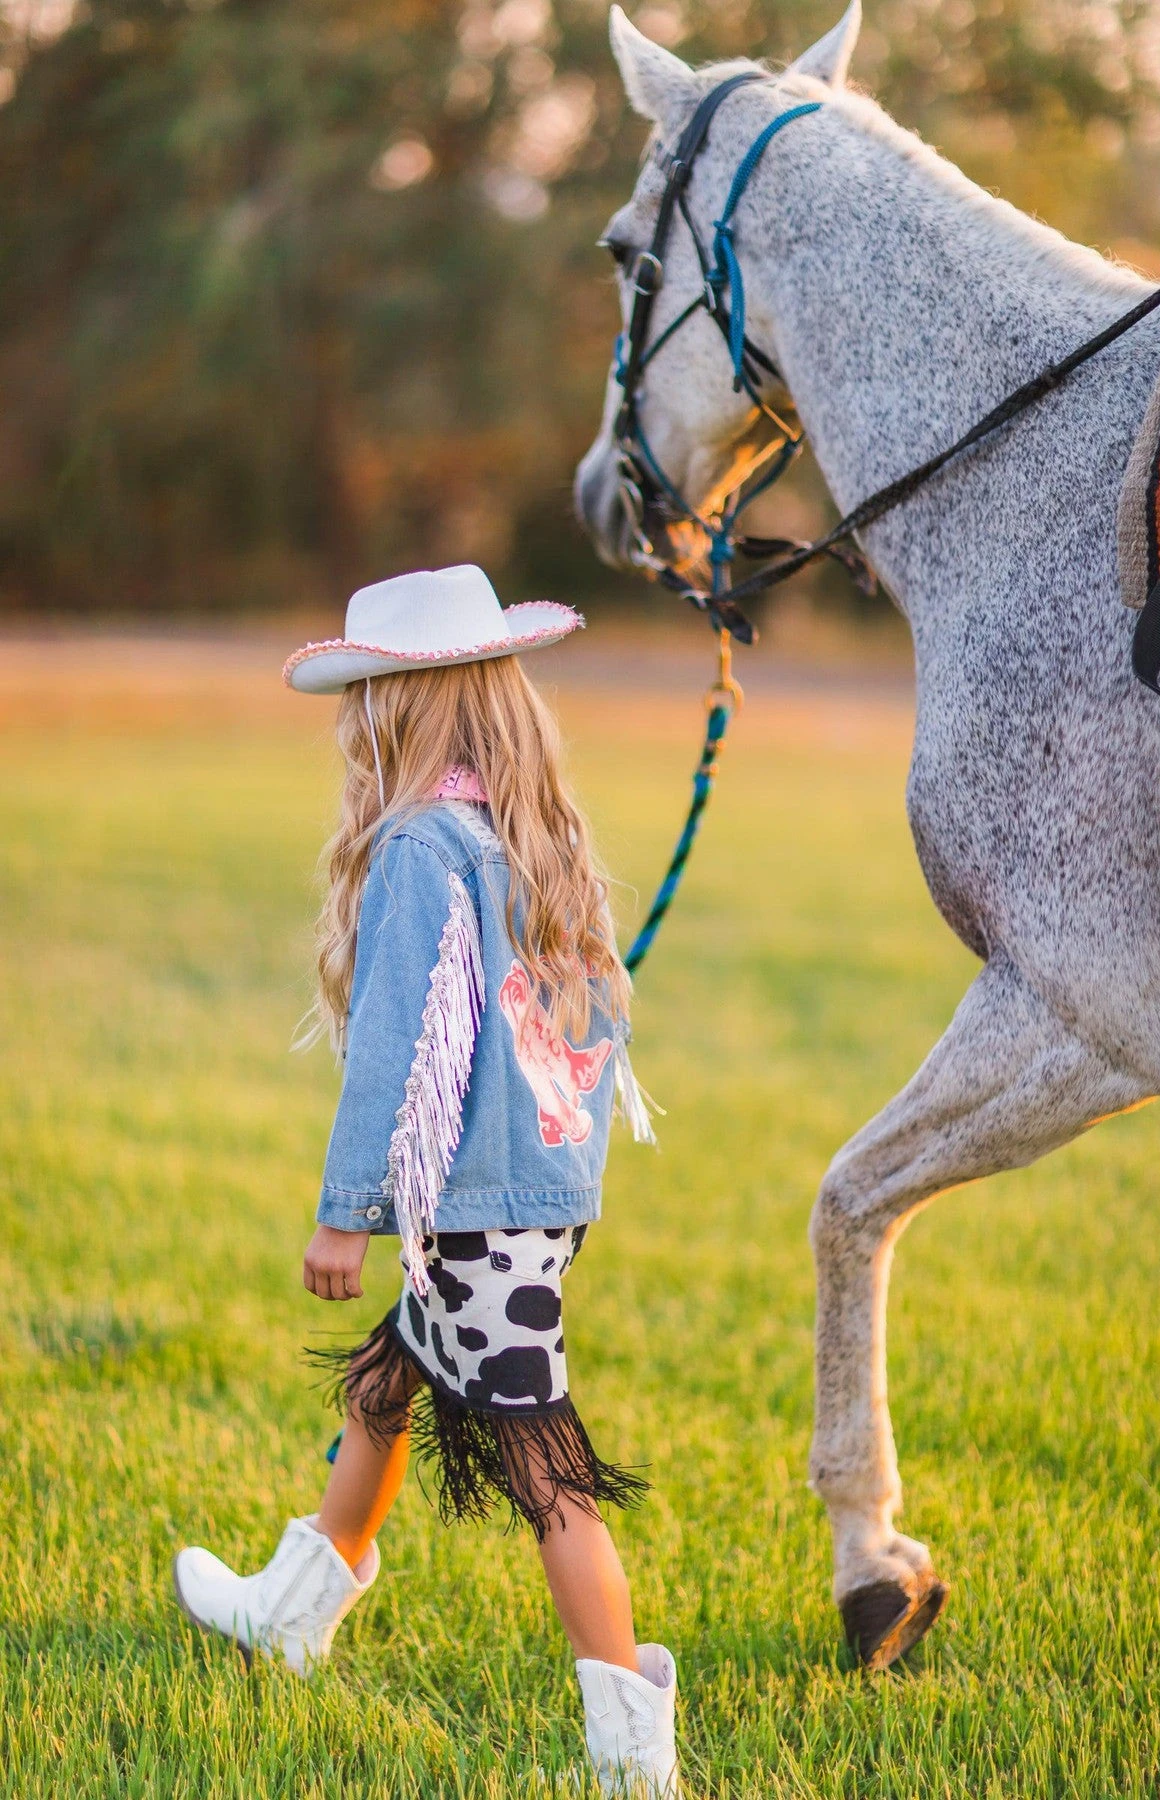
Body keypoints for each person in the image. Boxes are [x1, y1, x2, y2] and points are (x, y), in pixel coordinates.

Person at [172, 565, 677, 1797]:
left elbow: (399, 1059)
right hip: (538, 1207)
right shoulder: (533, 839)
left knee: (547, 1472)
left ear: (392, 716)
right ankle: (296, 1607)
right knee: (390, 1381)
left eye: (362, 708)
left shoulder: (417, 850)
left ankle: (632, 1758)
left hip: (471, 1216)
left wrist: (347, 1215)